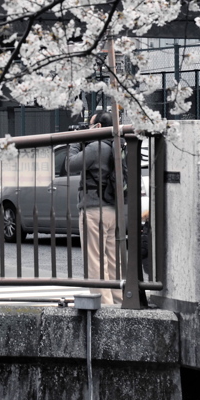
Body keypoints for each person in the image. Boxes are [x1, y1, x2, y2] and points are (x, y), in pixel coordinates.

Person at [68, 111, 125, 305]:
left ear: (99, 127)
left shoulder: (95, 147)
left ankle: (106, 306)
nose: (88, 128)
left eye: (90, 125)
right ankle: (118, 300)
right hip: (112, 209)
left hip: (93, 210)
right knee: (113, 260)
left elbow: (71, 165)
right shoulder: (117, 146)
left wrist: (75, 141)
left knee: (95, 261)